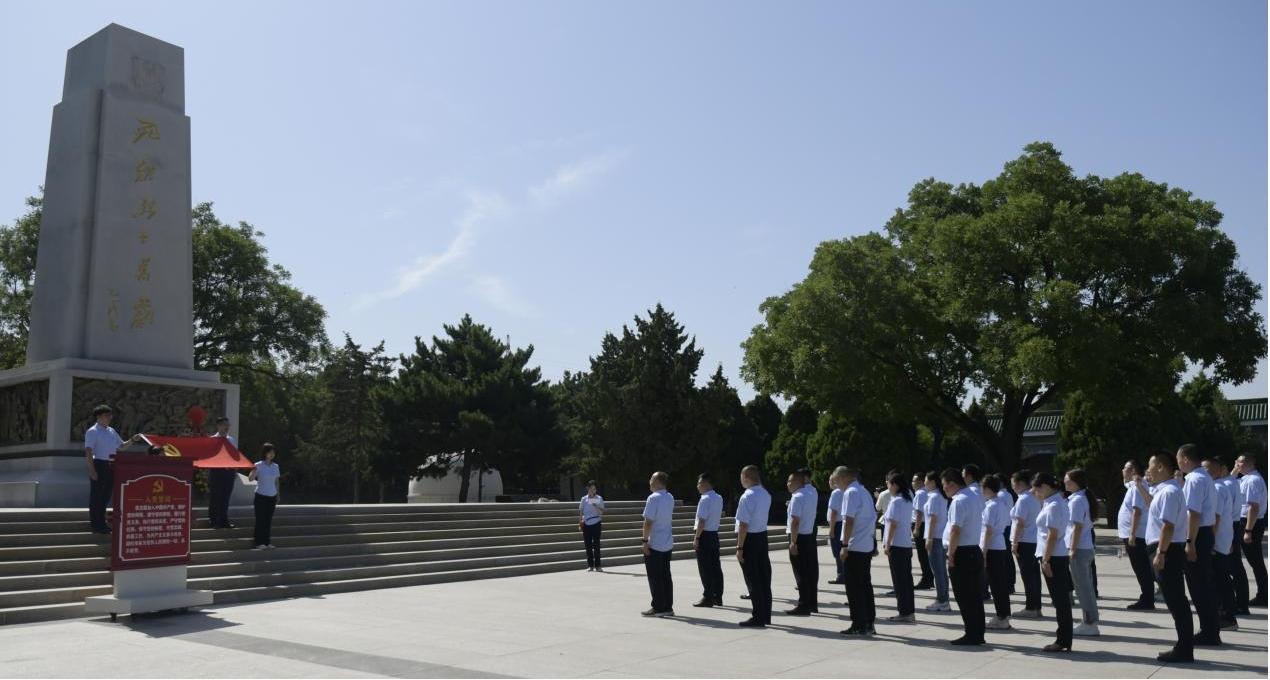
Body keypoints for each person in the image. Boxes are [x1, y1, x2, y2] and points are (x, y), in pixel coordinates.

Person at [1147, 452, 1193, 663]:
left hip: (1168, 550)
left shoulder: (1169, 492)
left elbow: (1168, 526)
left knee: (1176, 600)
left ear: (1161, 467)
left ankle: (1184, 648)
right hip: (1166, 548)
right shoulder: (1165, 491)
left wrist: (1161, 553)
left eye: (1151, 466)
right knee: (1175, 600)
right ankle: (1184, 646)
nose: (1148, 470)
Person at [1177, 444, 1221, 645]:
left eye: (1179, 460)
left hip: (1197, 535)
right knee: (1204, 585)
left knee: (1198, 587)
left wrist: (1189, 542)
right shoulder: (1206, 477)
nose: (1178, 464)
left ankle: (1209, 632)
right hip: (1204, 533)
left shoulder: (1194, 479)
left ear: (1185, 459)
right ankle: (1211, 630)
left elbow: (1193, 513)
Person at [942, 468, 986, 646]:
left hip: (962, 552)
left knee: (965, 596)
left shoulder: (959, 501)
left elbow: (955, 530)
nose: (944, 490)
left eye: (944, 486)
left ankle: (972, 634)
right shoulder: (974, 497)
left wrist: (951, 554)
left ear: (952, 484)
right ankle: (978, 632)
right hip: (974, 549)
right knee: (974, 595)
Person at [1032, 472, 1073, 652]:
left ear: (1047, 487)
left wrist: (1046, 560)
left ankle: (1063, 639)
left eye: (1038, 489)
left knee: (1060, 601)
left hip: (1053, 556)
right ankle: (1064, 638)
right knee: (1060, 600)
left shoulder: (1054, 505)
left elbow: (1052, 535)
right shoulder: (1053, 503)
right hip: (1054, 555)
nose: (1036, 493)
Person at [84, 405, 141, 534]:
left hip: (111, 465)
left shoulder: (111, 431)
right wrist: (92, 470)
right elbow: (88, 451)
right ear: (99, 417)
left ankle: (102, 523)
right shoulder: (93, 431)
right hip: (99, 464)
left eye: (110, 415)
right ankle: (96, 524)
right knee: (97, 496)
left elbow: (121, 447)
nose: (110, 418)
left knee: (105, 496)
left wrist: (132, 440)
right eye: (107, 415)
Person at [838, 467, 878, 636]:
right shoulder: (864, 491)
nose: (836, 483)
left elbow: (848, 520)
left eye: (836, 479)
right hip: (865, 545)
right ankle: (869, 623)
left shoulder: (850, 492)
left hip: (854, 546)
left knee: (854, 588)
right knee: (865, 586)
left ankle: (858, 624)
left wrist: (844, 545)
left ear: (844, 478)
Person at [1063, 469, 1100, 636]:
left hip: (1079, 548)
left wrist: (1072, 548)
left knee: (1082, 588)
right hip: (1084, 547)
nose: (1065, 483)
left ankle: (1090, 622)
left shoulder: (1077, 500)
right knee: (1085, 587)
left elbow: (1077, 527)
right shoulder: (1081, 498)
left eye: (1067, 481)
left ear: (1076, 482)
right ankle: (1090, 620)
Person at [1202, 457, 1238, 630]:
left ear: (1216, 471)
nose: (1203, 472)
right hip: (1222, 540)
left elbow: (1215, 519)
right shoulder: (1220, 487)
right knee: (1222, 578)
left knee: (1220, 580)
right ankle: (1226, 614)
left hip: (1216, 542)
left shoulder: (1216, 488)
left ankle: (1227, 616)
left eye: (1206, 469)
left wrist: (1210, 543)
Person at [735, 465, 772, 627]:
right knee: (764, 578)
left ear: (747, 477)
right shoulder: (765, 494)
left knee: (753, 579)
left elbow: (743, 524)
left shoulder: (747, 496)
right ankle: (766, 615)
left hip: (750, 539)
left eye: (742, 476)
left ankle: (758, 616)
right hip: (762, 537)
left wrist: (739, 547)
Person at [1118, 460, 1155, 610]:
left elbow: (1137, 511)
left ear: (1133, 470)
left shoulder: (1137, 488)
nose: (1122, 470)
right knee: (1142, 568)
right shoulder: (1134, 486)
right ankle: (1147, 597)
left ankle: (1147, 599)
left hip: (1136, 535)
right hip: (1133, 533)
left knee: (1142, 568)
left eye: (1125, 468)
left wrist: (1132, 534)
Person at [639, 471, 675, 617]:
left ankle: (658, 607)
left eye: (652, 479)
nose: (650, 481)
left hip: (655, 542)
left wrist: (644, 541)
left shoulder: (653, 498)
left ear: (659, 482)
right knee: (666, 576)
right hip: (667, 542)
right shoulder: (670, 496)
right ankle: (668, 606)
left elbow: (648, 522)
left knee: (655, 577)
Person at [882, 472, 916, 622]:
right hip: (905, 544)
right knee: (906, 580)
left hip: (896, 545)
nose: (888, 487)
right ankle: (909, 610)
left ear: (895, 485)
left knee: (900, 581)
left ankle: (904, 612)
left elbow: (892, 524)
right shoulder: (908, 499)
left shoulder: (896, 501)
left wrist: (887, 544)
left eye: (888, 484)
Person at [1235, 455, 1267, 607]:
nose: (1237, 464)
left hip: (1250, 523)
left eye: (1239, 462)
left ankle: (1264, 595)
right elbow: (1229, 480)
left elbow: (1253, 507)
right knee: (1255, 561)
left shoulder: (1253, 480)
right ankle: (1264, 594)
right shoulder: (1246, 478)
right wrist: (1235, 469)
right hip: (1247, 521)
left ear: (1250, 463)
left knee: (1256, 561)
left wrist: (1248, 530)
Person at [785, 470, 818, 615]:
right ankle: (812, 603)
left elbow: (795, 521)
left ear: (799, 482)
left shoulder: (797, 497)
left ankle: (803, 604)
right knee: (810, 571)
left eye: (790, 481)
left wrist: (793, 542)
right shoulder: (811, 494)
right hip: (809, 536)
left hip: (799, 537)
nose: (788, 484)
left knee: (800, 572)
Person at [981, 476, 1012, 630]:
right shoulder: (1002, 504)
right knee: (1000, 582)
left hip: (992, 546)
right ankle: (1004, 614)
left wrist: (983, 552)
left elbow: (988, 530)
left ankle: (1002, 616)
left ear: (987, 489)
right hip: (1000, 544)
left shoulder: (991, 506)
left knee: (995, 584)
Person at [1010, 469, 1043, 618]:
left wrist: (1015, 542)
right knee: (1034, 574)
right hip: (1034, 540)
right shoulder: (1036, 497)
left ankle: (1031, 607)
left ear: (1019, 484)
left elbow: (1020, 523)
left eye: (1013, 484)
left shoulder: (1023, 499)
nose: (1012, 487)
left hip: (1024, 540)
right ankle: (1036, 606)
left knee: (1028, 575)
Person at [1223, 456, 1250, 614]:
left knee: (1233, 567)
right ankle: (1241, 603)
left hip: (1231, 524)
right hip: (1233, 523)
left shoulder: (1227, 484)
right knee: (1235, 567)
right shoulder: (1232, 482)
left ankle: (1240, 604)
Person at [692, 474, 724, 607]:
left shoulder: (704, 499)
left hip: (704, 535)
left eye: (699, 483)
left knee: (705, 568)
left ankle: (708, 597)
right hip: (714, 534)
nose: (698, 486)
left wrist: (697, 538)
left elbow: (702, 521)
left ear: (706, 483)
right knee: (715, 567)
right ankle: (718, 596)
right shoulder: (718, 497)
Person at [923, 471, 952, 612]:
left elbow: (933, 519)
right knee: (941, 570)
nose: (924, 483)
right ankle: (943, 598)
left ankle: (942, 600)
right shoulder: (940, 496)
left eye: (926, 481)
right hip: (940, 536)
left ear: (933, 482)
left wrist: (929, 538)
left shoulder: (934, 497)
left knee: (938, 570)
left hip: (935, 537)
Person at [208, 416, 239, 529]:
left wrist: (235, 470)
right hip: (216, 471)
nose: (227, 427)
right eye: (225, 425)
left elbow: (235, 456)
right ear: (219, 426)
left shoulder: (231, 440)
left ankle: (224, 520)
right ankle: (213, 520)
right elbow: (209, 456)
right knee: (215, 497)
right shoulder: (212, 439)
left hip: (229, 472)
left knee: (226, 497)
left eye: (228, 425)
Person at [247, 443, 280, 549]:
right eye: (270, 452)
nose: (272, 454)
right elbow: (250, 478)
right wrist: (254, 471)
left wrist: (278, 494)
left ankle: (267, 542)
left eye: (273, 452)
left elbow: (276, 481)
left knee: (268, 520)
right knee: (260, 519)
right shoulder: (258, 465)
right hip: (261, 495)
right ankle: (258, 542)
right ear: (265, 453)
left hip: (272, 496)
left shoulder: (276, 466)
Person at [912, 473, 934, 590]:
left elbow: (919, 513)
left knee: (922, 554)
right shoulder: (927, 492)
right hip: (925, 524)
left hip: (920, 524)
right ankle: (929, 577)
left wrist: (916, 528)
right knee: (925, 554)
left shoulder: (920, 493)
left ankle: (927, 578)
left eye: (914, 481)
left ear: (920, 482)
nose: (912, 483)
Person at [578, 480, 605, 572]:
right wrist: (580, 523)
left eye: (594, 489)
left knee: (596, 545)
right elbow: (581, 511)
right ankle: (590, 565)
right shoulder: (583, 499)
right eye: (591, 489)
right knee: (588, 545)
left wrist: (595, 505)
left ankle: (598, 566)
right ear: (587, 489)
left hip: (596, 523)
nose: (593, 491)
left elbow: (602, 511)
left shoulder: (599, 498)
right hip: (586, 524)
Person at [826, 470, 846, 585]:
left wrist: (831, 529)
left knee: (837, 551)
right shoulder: (843, 491)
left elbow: (834, 512)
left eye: (830, 480)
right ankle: (843, 574)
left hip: (837, 524)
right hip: (841, 524)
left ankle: (841, 575)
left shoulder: (836, 493)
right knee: (840, 550)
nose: (829, 482)